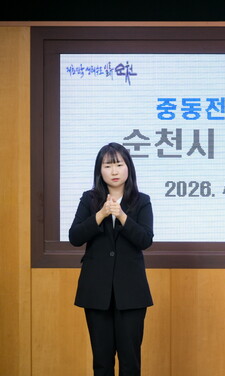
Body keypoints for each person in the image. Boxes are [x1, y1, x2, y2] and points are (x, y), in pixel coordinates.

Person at [69, 142, 154, 376]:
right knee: (102, 362)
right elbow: (75, 237)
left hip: (131, 293)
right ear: (100, 170)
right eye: (107, 166)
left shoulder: (142, 201)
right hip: (96, 292)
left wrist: (122, 216)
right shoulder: (89, 199)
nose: (114, 171)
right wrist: (101, 214)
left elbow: (145, 240)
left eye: (119, 164)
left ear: (128, 167)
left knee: (130, 363)